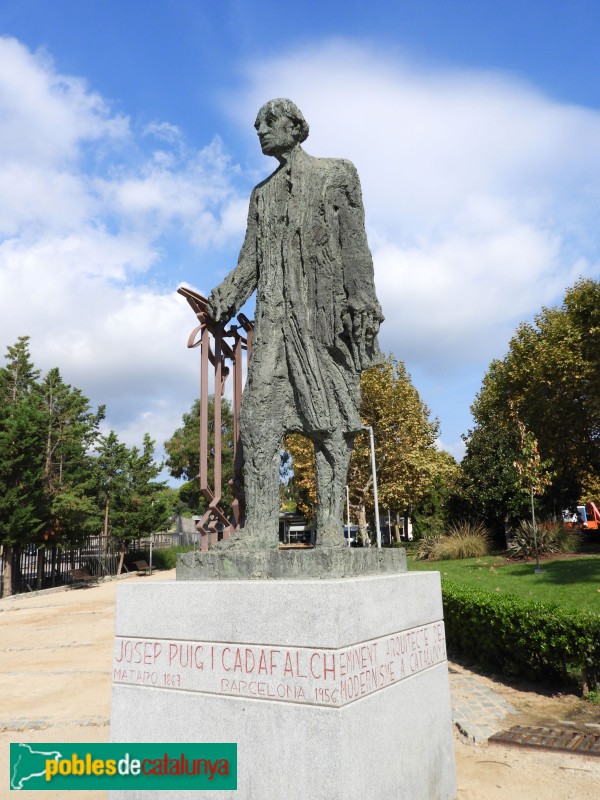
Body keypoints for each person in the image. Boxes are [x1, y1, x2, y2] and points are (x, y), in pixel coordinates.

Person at [208, 98, 383, 548]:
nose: (260, 129)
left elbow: (355, 248)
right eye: (257, 125)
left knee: (331, 426)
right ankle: (260, 531)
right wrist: (221, 300)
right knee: (259, 419)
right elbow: (249, 263)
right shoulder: (261, 196)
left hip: (324, 324)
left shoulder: (335, 174)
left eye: (269, 121)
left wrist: (363, 306)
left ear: (296, 125)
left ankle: (329, 530)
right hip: (274, 329)